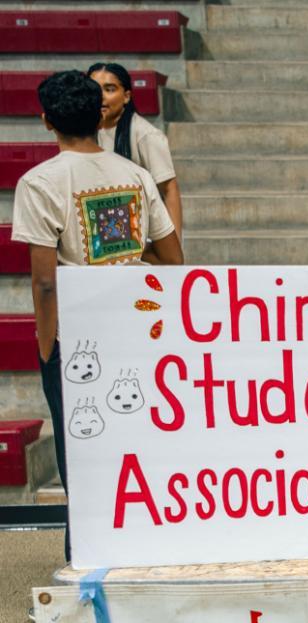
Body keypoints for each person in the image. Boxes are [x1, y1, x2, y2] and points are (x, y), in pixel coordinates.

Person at [11, 70, 184, 559]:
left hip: (75, 338)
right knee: (134, 446)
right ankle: (143, 551)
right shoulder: (136, 176)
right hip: (132, 332)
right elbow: (173, 259)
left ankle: (85, 557)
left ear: (46, 121)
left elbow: (45, 281)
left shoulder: (40, 182)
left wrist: (48, 347)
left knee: (80, 454)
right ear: (100, 114)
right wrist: (129, 256)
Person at [87, 63, 183, 239]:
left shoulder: (145, 135)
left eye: (109, 89)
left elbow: (169, 190)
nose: (100, 96)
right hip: (103, 232)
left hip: (141, 236)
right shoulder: (85, 133)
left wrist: (175, 251)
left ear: (126, 96)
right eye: (94, 89)